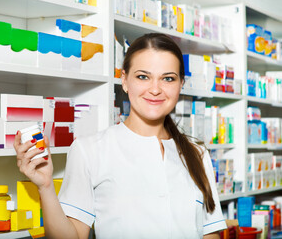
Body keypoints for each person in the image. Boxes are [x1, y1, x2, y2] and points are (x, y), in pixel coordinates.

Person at [14, 33, 227, 239]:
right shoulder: (90, 150)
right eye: (143, 77)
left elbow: (209, 233)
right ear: (124, 80)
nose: (155, 89)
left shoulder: (197, 153)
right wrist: (46, 187)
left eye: (168, 79)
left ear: (181, 84)